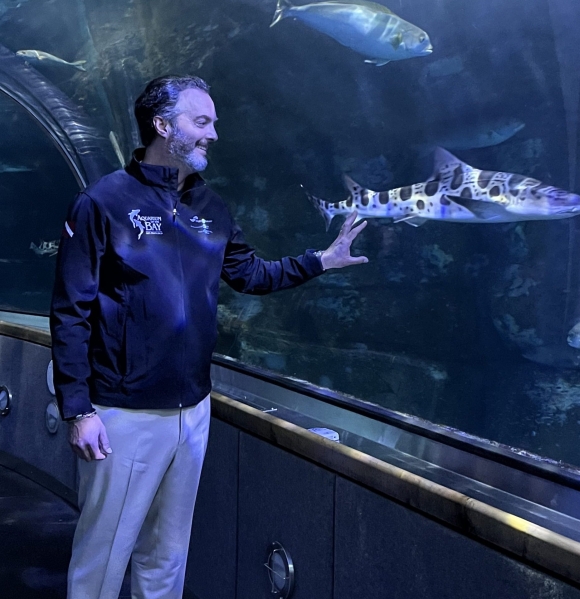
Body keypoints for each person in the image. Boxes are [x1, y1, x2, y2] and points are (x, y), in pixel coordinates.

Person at [50, 74, 368, 599]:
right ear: (161, 125)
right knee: (102, 555)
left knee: (167, 554)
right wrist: (78, 409)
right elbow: (71, 311)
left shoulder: (210, 208)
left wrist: (321, 261)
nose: (214, 134)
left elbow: (251, 274)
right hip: (124, 411)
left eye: (214, 122)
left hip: (193, 410)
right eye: (201, 121)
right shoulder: (102, 202)